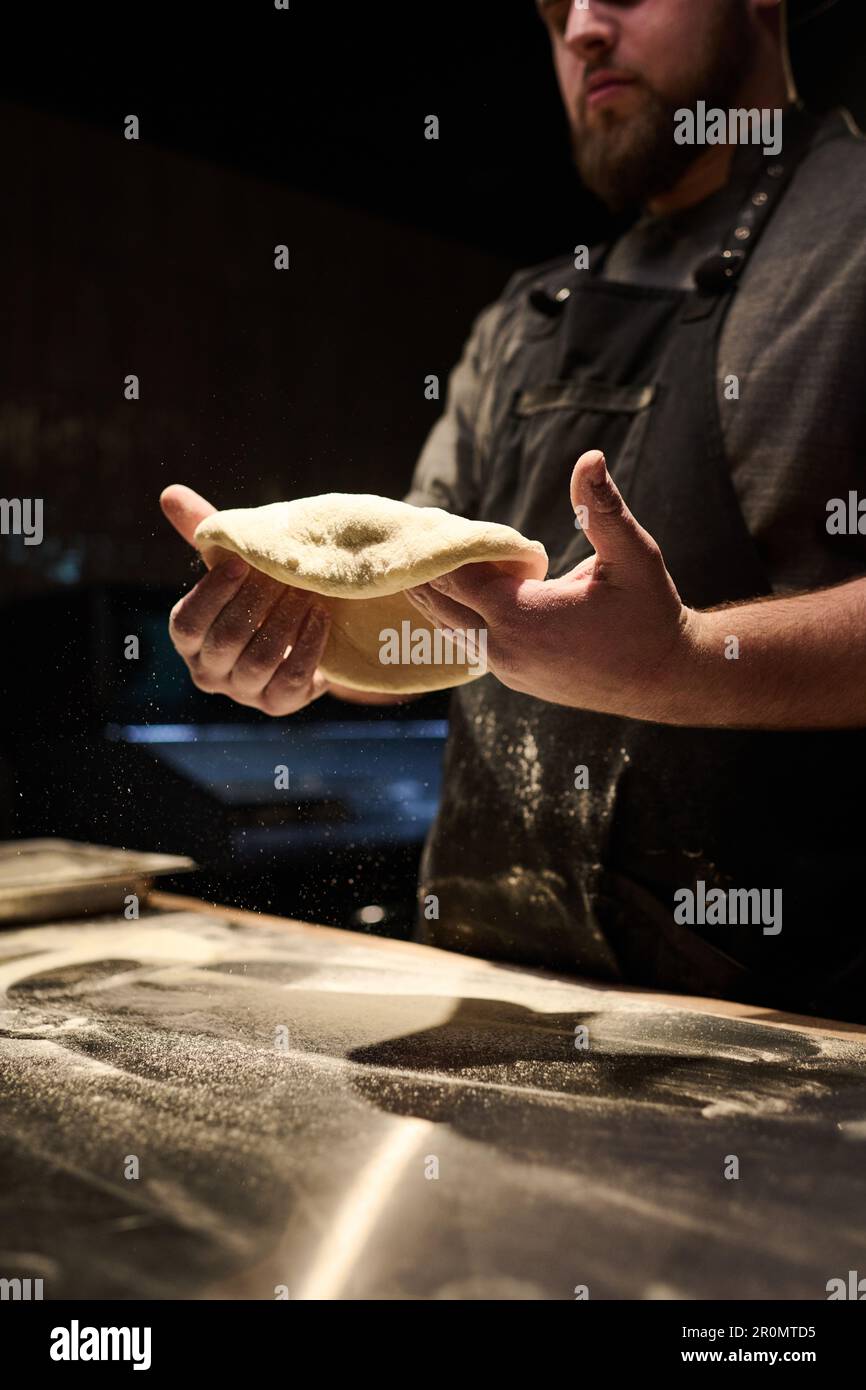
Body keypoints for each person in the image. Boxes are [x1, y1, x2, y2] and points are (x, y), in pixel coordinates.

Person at [161, 0, 866, 1021]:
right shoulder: (524, 320)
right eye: (552, 7)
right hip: (485, 1002)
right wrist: (295, 638)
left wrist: (679, 659)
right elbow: (412, 625)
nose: (581, 28)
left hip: (789, 1042)